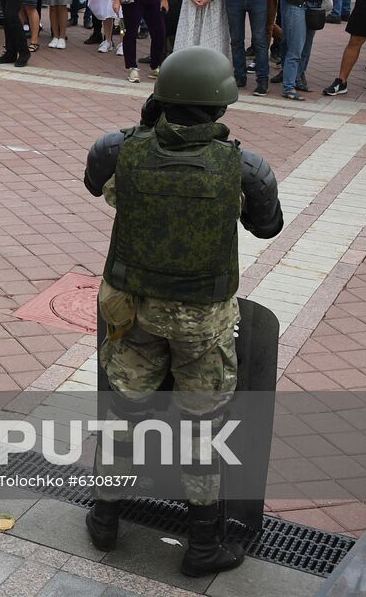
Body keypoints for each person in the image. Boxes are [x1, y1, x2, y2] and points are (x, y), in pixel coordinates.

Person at [83, 45, 283, 577]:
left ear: (160, 97)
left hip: (133, 313)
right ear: (221, 105)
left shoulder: (118, 151)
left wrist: (146, 126)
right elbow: (268, 227)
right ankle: (202, 545)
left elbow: (93, 181)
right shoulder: (243, 168)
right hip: (204, 323)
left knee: (122, 416)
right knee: (202, 430)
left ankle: (105, 518)